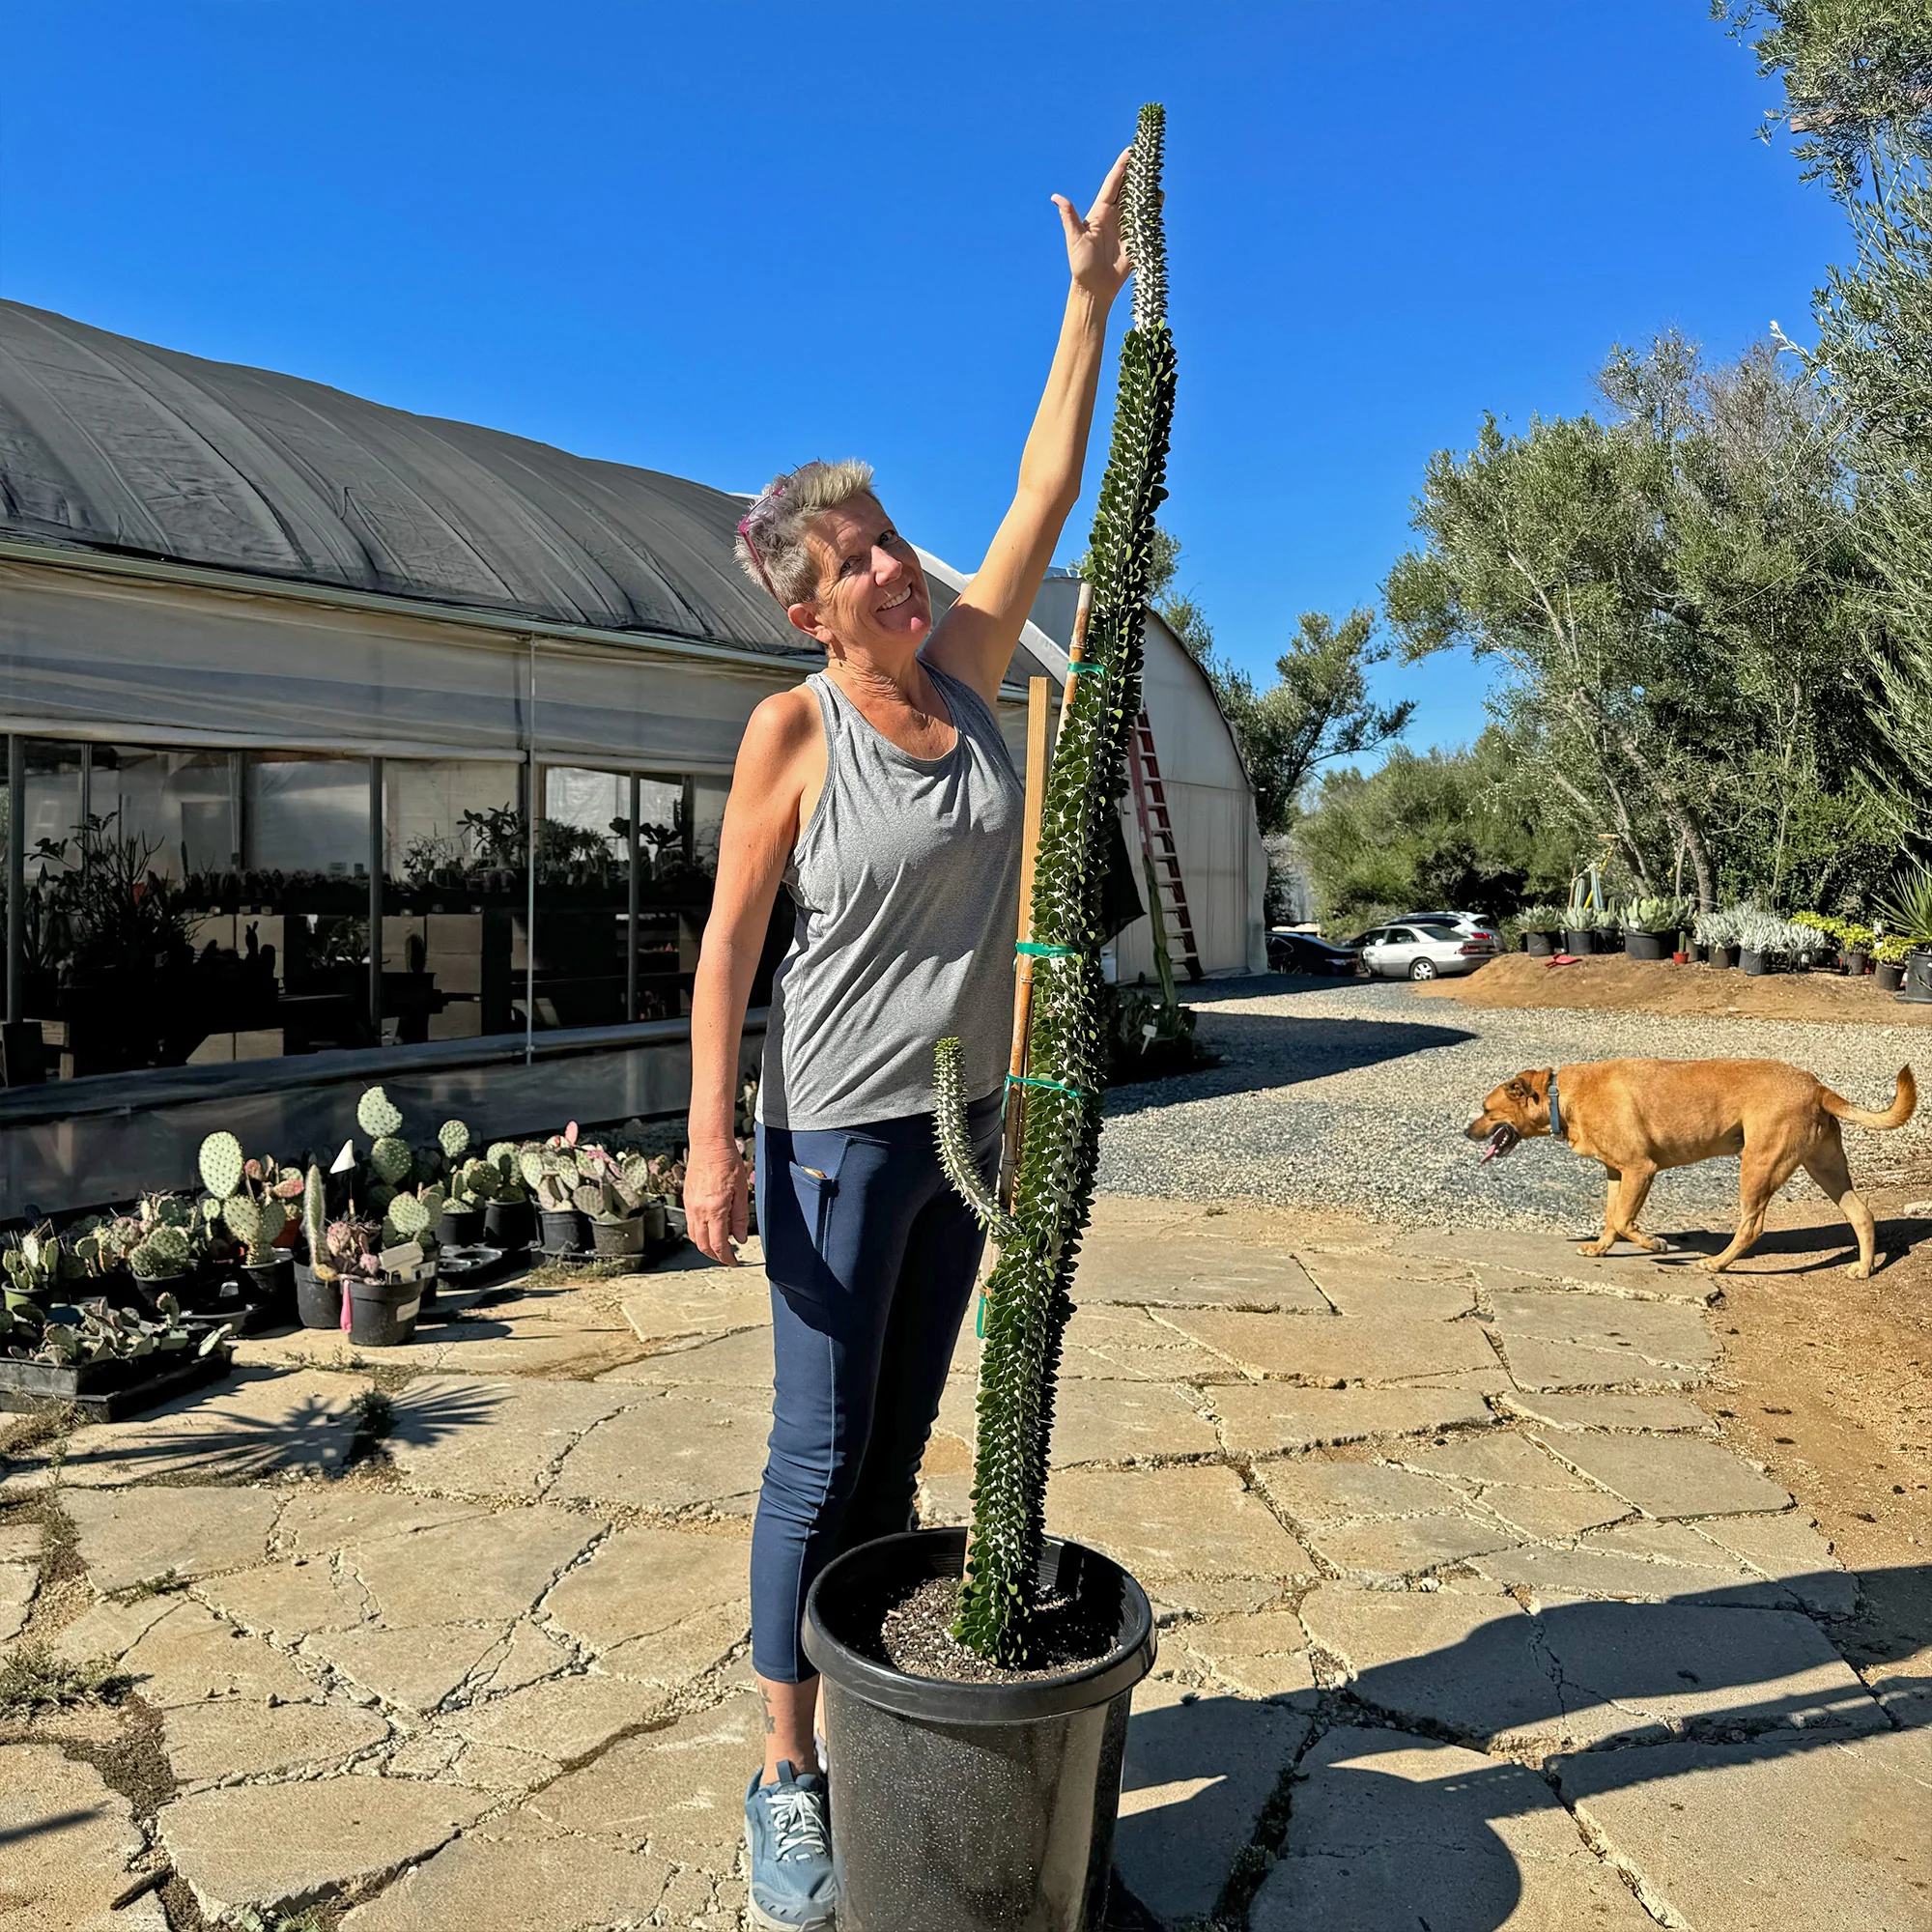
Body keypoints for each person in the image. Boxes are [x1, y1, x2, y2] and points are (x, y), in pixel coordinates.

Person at [685, 144, 1134, 1932]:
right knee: (814, 1452)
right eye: (856, 554)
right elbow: (726, 946)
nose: (890, 560)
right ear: (807, 603)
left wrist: (1088, 304)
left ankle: (870, 1741)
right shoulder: (791, 730)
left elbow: (1047, 482)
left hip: (971, 1127)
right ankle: (786, 1773)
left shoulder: (966, 667)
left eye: (887, 535)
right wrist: (711, 1139)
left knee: (902, 1446)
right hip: (833, 1136)